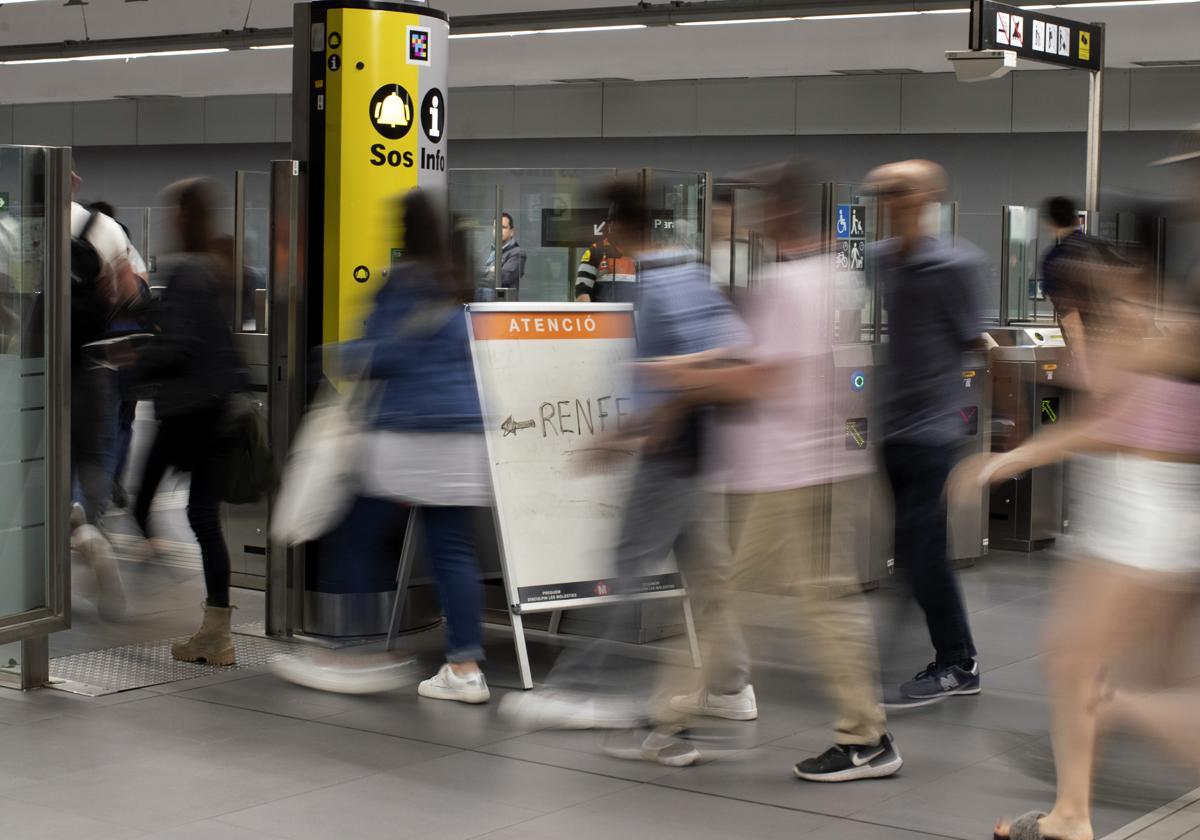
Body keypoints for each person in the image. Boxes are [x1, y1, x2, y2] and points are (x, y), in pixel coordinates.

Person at [648, 161, 901, 781]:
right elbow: (769, 355)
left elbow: (763, 376)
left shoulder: (787, 286)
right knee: (786, 596)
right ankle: (675, 713)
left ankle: (672, 715)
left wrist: (685, 376)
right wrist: (710, 362)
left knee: (781, 597)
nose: (750, 220)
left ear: (780, 213)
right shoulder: (831, 277)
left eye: (758, 208)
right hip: (813, 466)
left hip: (795, 474)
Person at [501, 179, 753, 767]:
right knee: (707, 571)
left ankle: (585, 687)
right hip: (699, 453)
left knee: (623, 565)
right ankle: (733, 685)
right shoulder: (691, 274)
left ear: (617, 230)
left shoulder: (662, 287)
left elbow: (706, 363)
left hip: (670, 453)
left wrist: (645, 421)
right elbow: (730, 346)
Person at [274, 191, 492, 703]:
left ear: (404, 232)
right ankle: (465, 668)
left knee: (354, 534)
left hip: (409, 435)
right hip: (466, 435)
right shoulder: (459, 285)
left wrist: (331, 353)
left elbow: (388, 352)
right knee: (453, 550)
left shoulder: (405, 283)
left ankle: (347, 653)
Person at [865, 159, 986, 704]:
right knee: (910, 552)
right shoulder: (884, 259)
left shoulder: (956, 266)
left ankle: (958, 661)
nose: (893, 203)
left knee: (923, 552)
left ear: (929, 198)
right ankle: (942, 652)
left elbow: (974, 343)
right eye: (886, 194)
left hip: (936, 433)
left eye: (902, 193)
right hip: (895, 432)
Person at [128, 178, 247, 664]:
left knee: (141, 501)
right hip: (217, 413)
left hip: (188, 414)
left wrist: (132, 363)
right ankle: (217, 634)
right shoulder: (217, 269)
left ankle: (148, 564)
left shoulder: (187, 272)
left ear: (183, 215)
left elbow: (179, 346)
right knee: (203, 519)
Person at [70, 173, 141, 620]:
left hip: (32, 367)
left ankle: (39, 554)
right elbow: (130, 292)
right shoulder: (103, 227)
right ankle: (90, 530)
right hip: (91, 364)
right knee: (95, 456)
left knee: (33, 463)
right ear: (73, 179)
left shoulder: (14, 228)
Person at [86, 201, 150, 511]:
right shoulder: (133, 273)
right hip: (131, 358)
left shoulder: (91, 273)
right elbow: (144, 305)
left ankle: (93, 493)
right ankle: (112, 479)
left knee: (104, 426)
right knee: (123, 423)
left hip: (104, 356)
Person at [575, 215, 637, 303]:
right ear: (609, 225)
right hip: (604, 313)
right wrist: (590, 315)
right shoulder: (596, 250)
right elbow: (582, 290)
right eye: (612, 222)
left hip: (634, 313)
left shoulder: (639, 252)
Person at [479, 212, 526, 300]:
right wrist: (490, 270)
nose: (498, 230)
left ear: (512, 232)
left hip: (502, 307)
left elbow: (503, 277)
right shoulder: (485, 250)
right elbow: (474, 273)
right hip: (479, 304)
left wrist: (481, 275)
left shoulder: (518, 253)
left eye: (503, 227)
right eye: (495, 228)